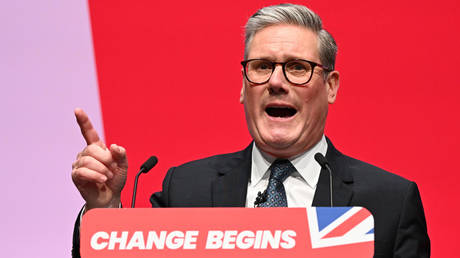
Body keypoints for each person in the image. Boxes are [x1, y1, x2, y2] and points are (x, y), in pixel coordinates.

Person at [71, 3, 430, 257]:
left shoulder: (390, 202)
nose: (276, 81)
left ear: (331, 86)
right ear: (244, 87)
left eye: (298, 68)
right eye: (261, 67)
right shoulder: (186, 189)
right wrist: (104, 212)